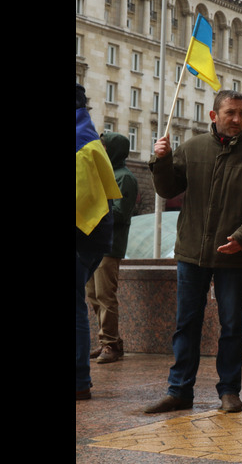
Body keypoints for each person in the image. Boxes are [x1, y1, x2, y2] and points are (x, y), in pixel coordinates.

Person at [144, 90, 242, 414]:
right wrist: (160, 161)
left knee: (231, 325)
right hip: (191, 253)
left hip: (234, 254)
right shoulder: (192, 148)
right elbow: (167, 189)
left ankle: (229, 391)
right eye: (230, 112)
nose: (237, 119)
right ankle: (179, 391)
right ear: (213, 116)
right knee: (186, 324)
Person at [77, 83, 122, 400]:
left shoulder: (80, 139)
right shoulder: (87, 134)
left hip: (83, 233)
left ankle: (79, 380)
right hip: (91, 235)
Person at [86, 131, 139, 364]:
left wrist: (93, 207)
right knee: (92, 295)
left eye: (104, 147)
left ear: (114, 150)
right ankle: (109, 341)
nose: (101, 150)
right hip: (94, 242)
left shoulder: (124, 177)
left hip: (110, 245)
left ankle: (110, 345)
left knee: (105, 295)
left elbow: (120, 213)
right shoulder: (105, 173)